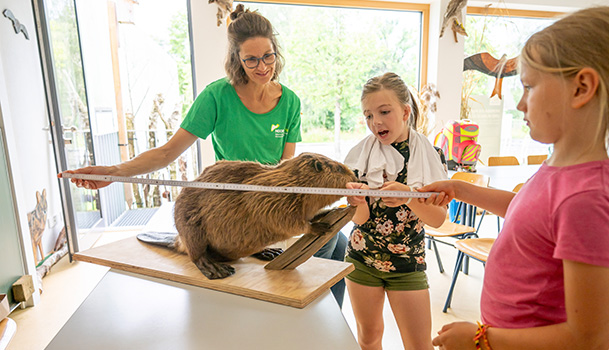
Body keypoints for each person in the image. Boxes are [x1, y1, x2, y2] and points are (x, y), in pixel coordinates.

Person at [58, 4, 347, 306]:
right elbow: (168, 152)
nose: (262, 66)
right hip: (230, 204)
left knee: (335, 242)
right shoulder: (216, 96)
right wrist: (115, 173)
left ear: (276, 52)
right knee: (314, 256)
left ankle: (332, 325)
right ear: (237, 59)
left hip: (266, 202)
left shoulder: (289, 102)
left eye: (268, 56)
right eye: (251, 60)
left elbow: (286, 169)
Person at [421, 6, 609, 350]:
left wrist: (483, 340)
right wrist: (459, 188)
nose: (520, 104)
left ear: (581, 87)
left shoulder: (586, 197)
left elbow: (589, 338)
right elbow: (529, 214)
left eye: (528, 86)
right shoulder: (560, 165)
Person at [343, 72, 448, 350]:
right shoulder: (359, 157)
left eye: (384, 111)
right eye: (367, 115)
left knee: (419, 345)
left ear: (405, 111)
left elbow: (437, 219)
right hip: (361, 259)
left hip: (407, 265)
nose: (375, 122)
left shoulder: (431, 155)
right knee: (368, 337)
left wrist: (409, 198)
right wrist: (357, 204)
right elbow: (360, 221)